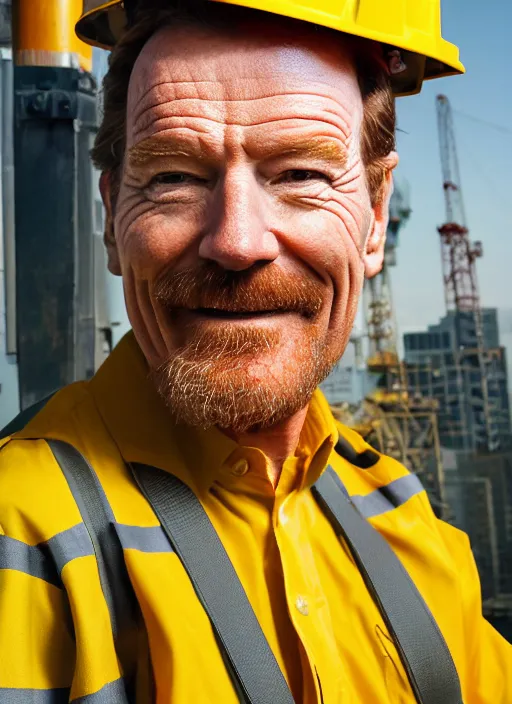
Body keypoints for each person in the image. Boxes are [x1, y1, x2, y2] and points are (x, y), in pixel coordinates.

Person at [0, 0, 510, 702]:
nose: (237, 241)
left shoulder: (402, 515)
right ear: (113, 218)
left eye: (300, 175)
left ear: (376, 215)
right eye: (175, 177)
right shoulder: (17, 532)